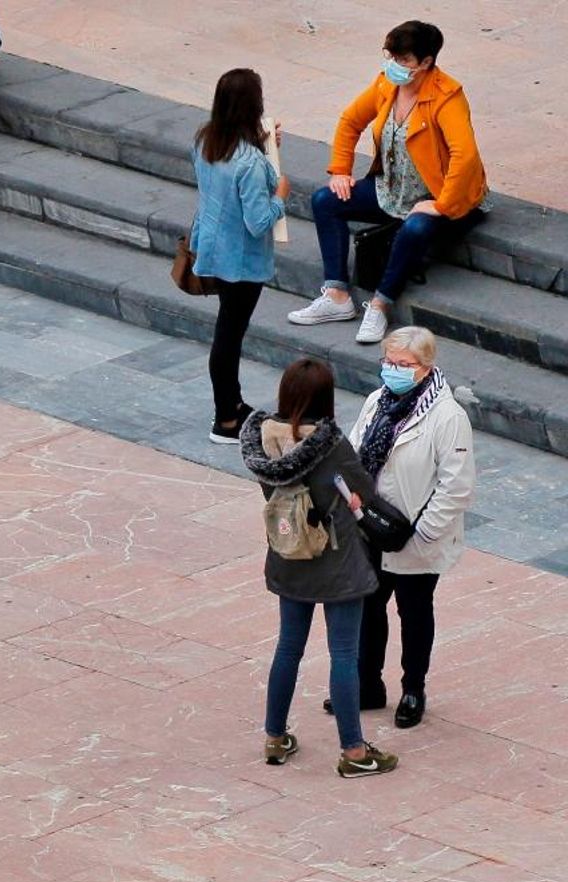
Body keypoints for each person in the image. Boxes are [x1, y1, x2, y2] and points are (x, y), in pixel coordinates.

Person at [241, 358, 398, 778]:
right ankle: (353, 751)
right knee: (344, 653)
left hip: (289, 554)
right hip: (337, 562)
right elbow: (364, 492)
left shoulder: (263, 440)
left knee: (288, 648)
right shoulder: (331, 446)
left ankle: (275, 738)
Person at [287, 20, 489, 344]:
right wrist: (340, 170)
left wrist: (442, 204)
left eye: (404, 60)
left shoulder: (447, 96)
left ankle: (380, 304)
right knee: (325, 200)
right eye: (392, 57)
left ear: (426, 63)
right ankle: (337, 295)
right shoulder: (386, 84)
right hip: (392, 189)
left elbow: (464, 156)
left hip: (434, 195)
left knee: (416, 228)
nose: (395, 65)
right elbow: (350, 120)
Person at [344, 327, 474, 728]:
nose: (393, 370)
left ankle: (413, 689)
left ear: (426, 367)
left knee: (414, 614)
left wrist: (422, 533)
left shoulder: (448, 417)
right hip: (371, 529)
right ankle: (368, 686)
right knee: (368, 607)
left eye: (403, 365)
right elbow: (354, 452)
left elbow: (456, 486)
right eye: (389, 362)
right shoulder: (375, 402)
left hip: (416, 540)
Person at [189, 68, 289, 444]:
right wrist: (280, 195)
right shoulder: (248, 162)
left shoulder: (205, 140)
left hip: (212, 247)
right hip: (242, 260)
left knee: (227, 330)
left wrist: (264, 145)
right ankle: (226, 418)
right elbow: (258, 220)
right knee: (229, 335)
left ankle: (232, 404)